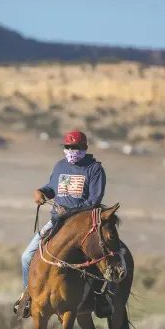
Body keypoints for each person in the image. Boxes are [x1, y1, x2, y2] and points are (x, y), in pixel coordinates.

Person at [13, 130, 107, 318]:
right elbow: (51, 188)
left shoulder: (94, 169)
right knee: (26, 256)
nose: (72, 150)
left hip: (84, 226)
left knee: (101, 258)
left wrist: (71, 212)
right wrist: (40, 192)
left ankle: (101, 297)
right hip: (57, 221)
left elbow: (94, 200)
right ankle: (28, 294)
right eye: (68, 147)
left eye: (76, 147)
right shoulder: (60, 166)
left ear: (84, 148)